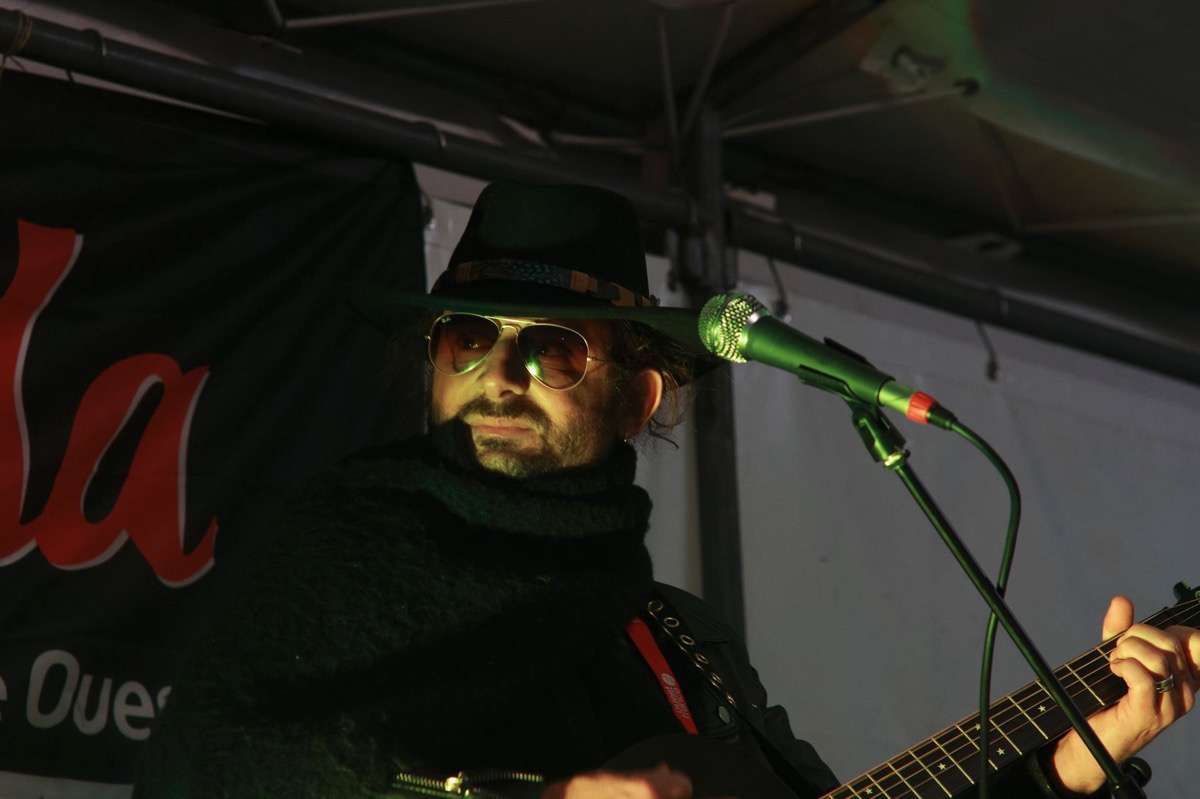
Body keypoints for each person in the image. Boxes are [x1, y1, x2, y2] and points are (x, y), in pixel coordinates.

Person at [134, 182, 1198, 799]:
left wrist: (1071, 764)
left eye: (551, 348)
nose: (499, 375)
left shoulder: (677, 641)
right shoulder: (343, 548)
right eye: (467, 338)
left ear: (637, 398)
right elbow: (226, 770)